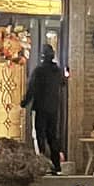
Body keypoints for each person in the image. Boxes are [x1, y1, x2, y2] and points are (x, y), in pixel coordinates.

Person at [20, 42, 66, 173]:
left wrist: (24, 102)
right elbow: (63, 83)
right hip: (54, 108)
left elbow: (32, 88)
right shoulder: (57, 71)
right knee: (52, 136)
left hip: (40, 108)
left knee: (40, 136)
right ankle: (56, 165)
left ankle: (42, 164)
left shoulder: (39, 71)